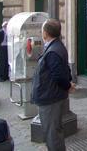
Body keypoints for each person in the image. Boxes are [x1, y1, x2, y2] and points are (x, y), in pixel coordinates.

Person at [31, 19, 75, 151]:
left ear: (45, 33)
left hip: (50, 98)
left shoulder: (53, 51)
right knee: (55, 130)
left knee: (52, 134)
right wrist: (68, 83)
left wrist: (68, 85)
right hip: (52, 95)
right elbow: (65, 70)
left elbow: (59, 75)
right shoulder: (56, 46)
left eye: (42, 30)